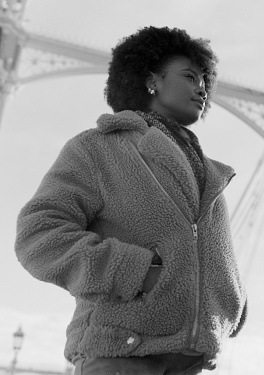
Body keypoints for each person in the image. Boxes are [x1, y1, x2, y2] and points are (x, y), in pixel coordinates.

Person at [15, 26, 247, 375]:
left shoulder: (209, 172)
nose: (201, 88)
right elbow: (38, 234)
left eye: (204, 80)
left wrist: (232, 303)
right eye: (189, 76)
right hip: (120, 356)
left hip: (190, 360)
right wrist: (134, 271)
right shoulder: (98, 148)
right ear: (151, 79)